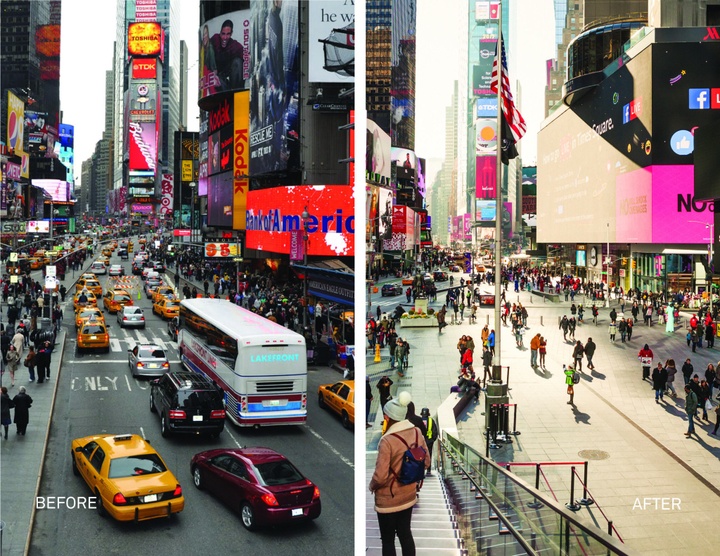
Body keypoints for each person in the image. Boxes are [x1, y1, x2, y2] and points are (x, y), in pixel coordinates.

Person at [369, 392, 430, 556]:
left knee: (388, 540)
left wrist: (372, 486)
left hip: (388, 499)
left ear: (388, 417)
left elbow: (380, 476)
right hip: (408, 494)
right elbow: (426, 462)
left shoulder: (387, 441)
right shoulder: (417, 432)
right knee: (405, 533)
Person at [209, 19, 244, 91]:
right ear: (220, 33)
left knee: (238, 61)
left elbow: (246, 56)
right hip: (216, 76)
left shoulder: (234, 45)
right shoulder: (215, 39)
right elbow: (206, 51)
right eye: (223, 34)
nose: (225, 38)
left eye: (228, 34)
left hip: (230, 77)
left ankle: (237, 91)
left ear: (231, 34)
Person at [420, 408, 438, 475]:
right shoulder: (431, 420)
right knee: (429, 454)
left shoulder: (419, 420)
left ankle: (421, 469)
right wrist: (433, 440)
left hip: (421, 441)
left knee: (420, 455)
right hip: (429, 441)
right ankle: (428, 469)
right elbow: (435, 431)